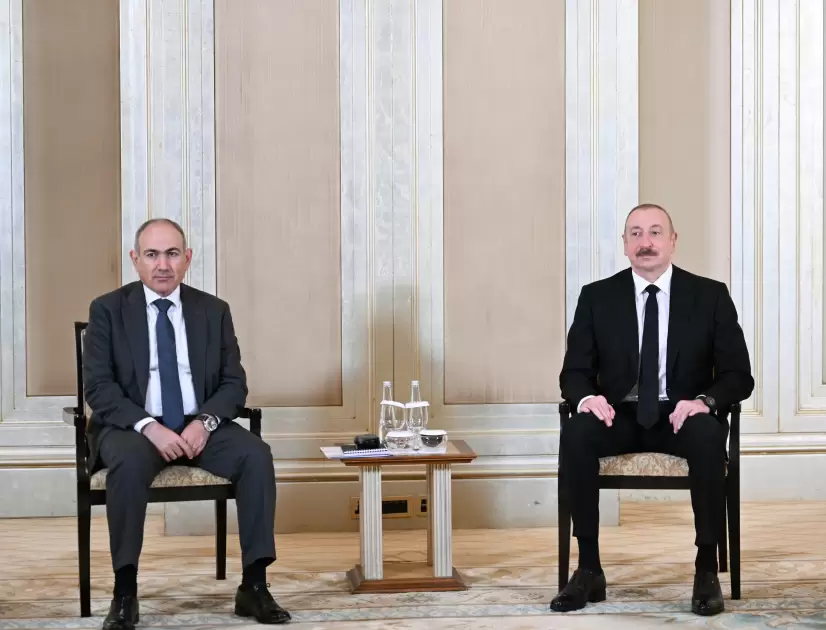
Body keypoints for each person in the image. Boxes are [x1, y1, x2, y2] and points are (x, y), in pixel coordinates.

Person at [83, 218, 291, 628]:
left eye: (172, 254)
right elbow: (99, 388)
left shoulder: (213, 310)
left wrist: (205, 423)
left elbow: (234, 383)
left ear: (188, 258)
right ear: (135, 259)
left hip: (201, 426)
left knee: (255, 455)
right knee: (127, 464)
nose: (163, 265)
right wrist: (149, 426)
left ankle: (254, 586)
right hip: (133, 428)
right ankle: (125, 593)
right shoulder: (107, 310)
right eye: (152, 254)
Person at [551, 204, 754, 617]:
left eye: (656, 232)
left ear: (673, 241)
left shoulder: (710, 295)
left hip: (681, 415)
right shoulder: (597, 297)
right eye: (636, 233)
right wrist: (588, 399)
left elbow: (738, 375)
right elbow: (574, 372)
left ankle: (705, 568)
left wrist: (704, 403)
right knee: (577, 433)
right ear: (625, 245)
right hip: (619, 415)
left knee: (709, 436)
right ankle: (588, 569)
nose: (646, 242)